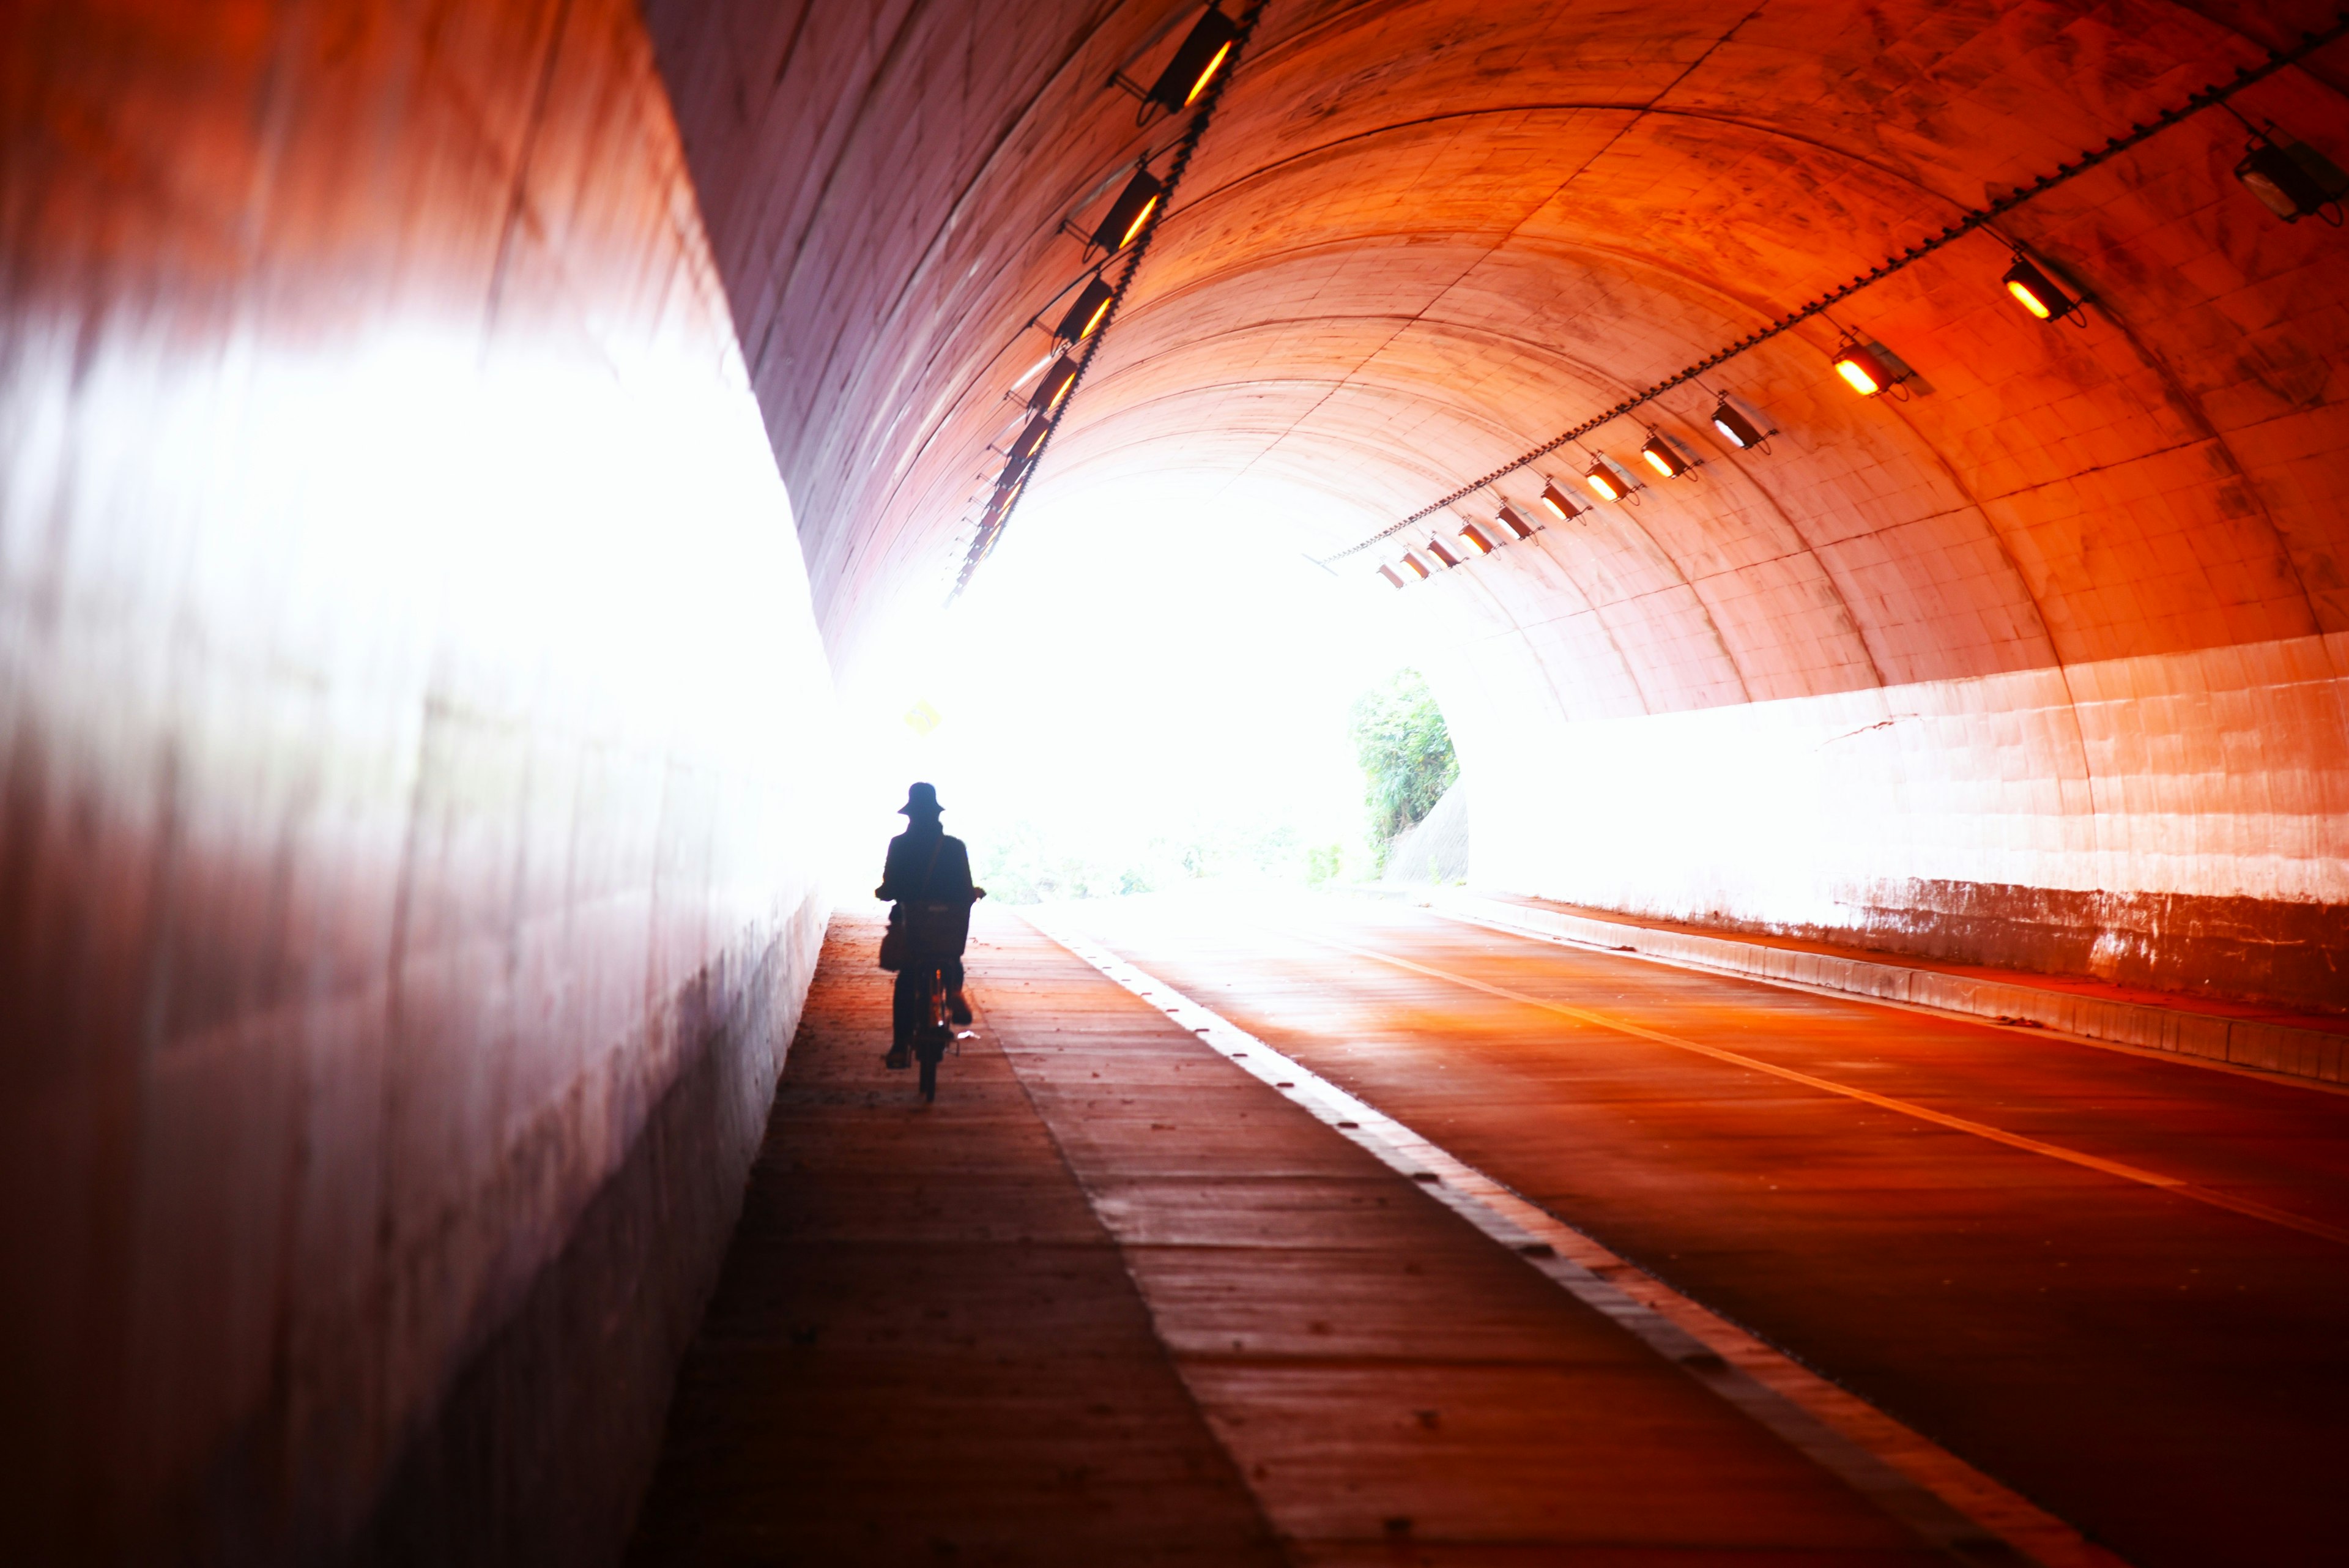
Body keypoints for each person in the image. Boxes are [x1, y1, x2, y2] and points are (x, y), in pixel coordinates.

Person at [875, 782, 984, 1055]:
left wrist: (885, 893)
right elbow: (965, 888)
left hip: (911, 921)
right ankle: (954, 990)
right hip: (947, 924)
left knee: (906, 980)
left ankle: (901, 1045)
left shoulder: (899, 845)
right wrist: (973, 894)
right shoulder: (955, 847)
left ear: (910, 815)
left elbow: (889, 886)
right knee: (951, 958)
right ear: (937, 816)